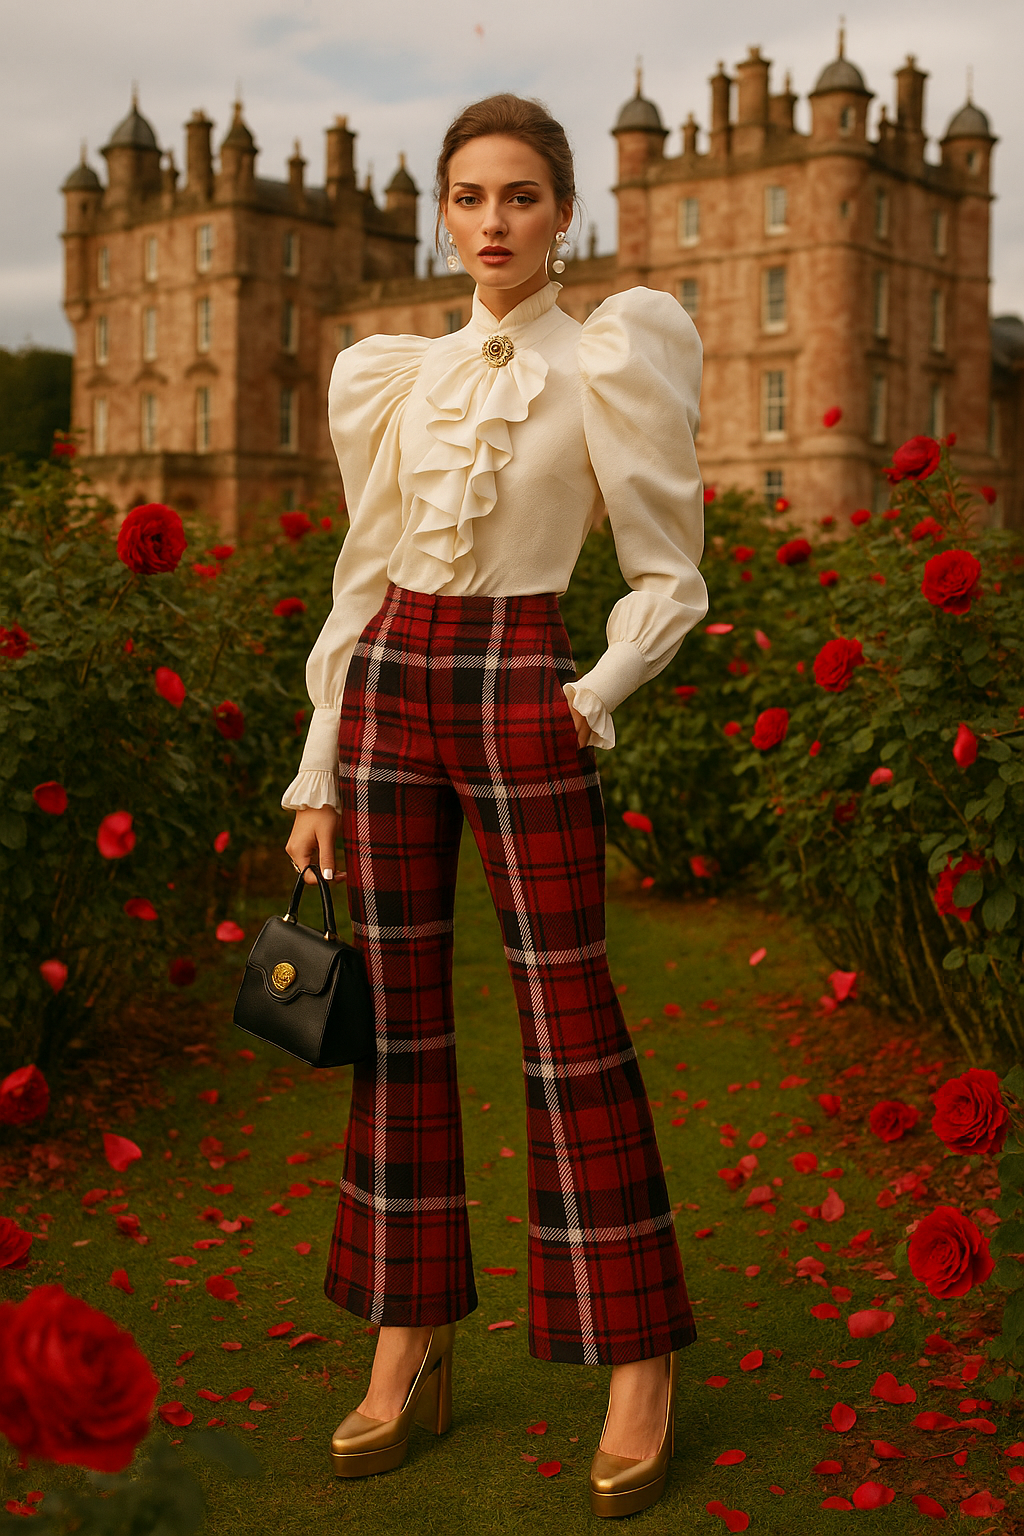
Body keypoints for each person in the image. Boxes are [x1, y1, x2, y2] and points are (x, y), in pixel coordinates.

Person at [282, 91, 708, 1518]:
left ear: (563, 211)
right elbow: (364, 569)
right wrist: (318, 759)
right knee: (395, 1026)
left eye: (520, 197)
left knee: (569, 1020)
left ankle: (637, 1360)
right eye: (470, 197)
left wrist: (584, 697)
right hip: (395, 679)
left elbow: (669, 577)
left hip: (524, 674)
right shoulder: (396, 373)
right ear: (444, 212)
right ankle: (411, 1340)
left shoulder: (609, 360)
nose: (492, 223)